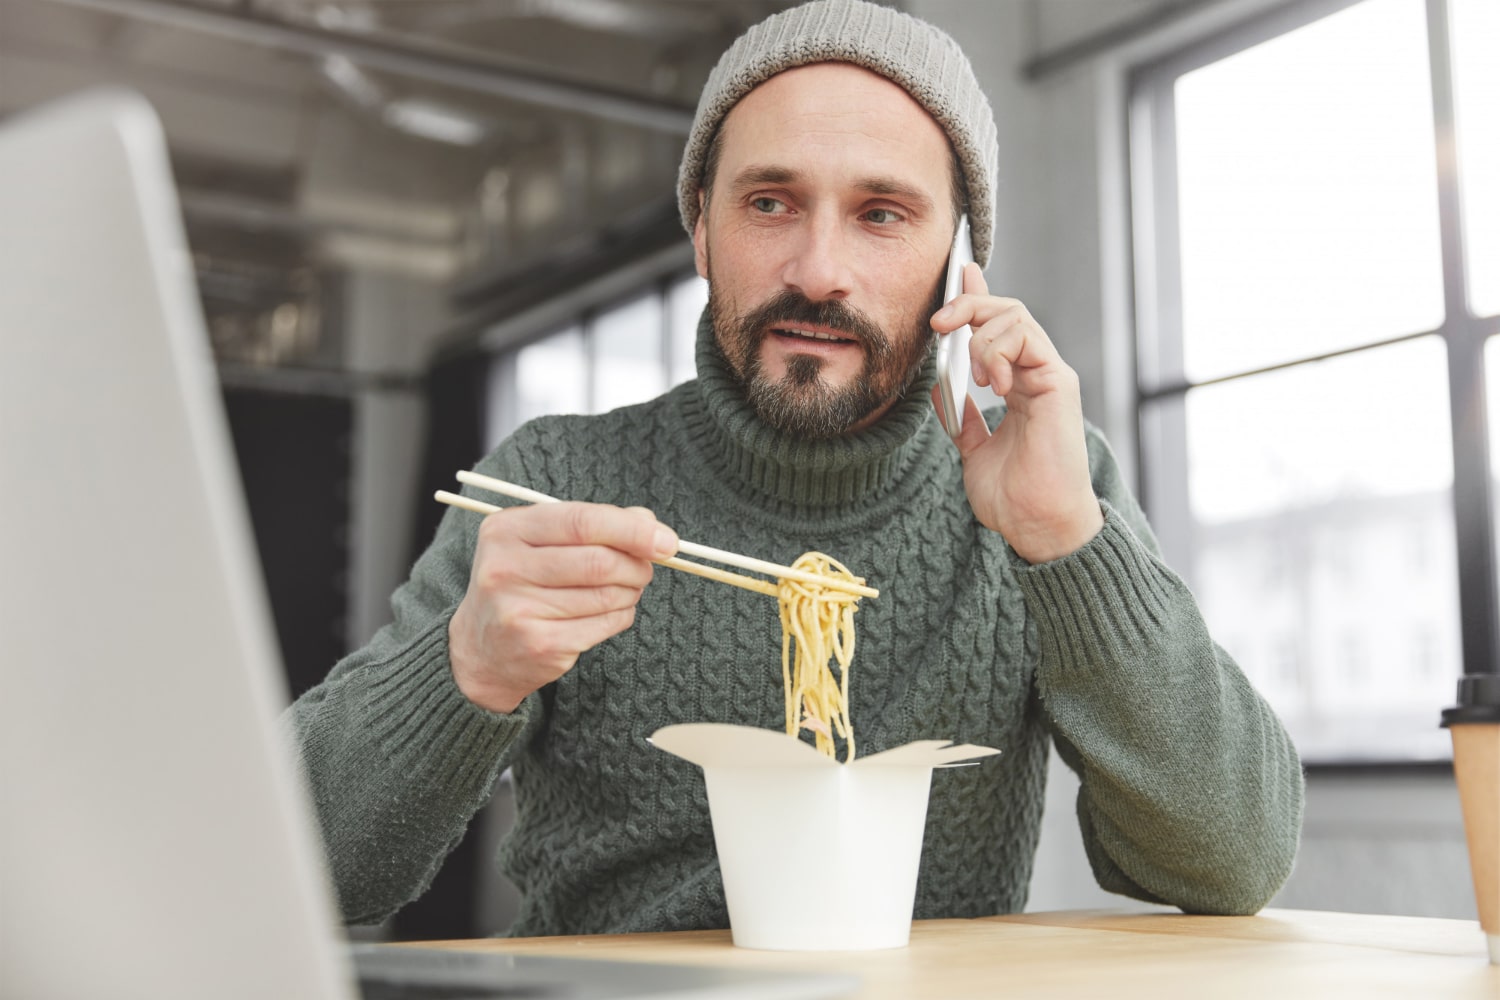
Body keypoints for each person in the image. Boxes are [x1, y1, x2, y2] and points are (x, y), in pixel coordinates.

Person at [287, 0, 1304, 937]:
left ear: (961, 262)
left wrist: (1067, 544)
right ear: (700, 229)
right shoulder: (557, 479)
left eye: (883, 214)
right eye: (770, 203)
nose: (820, 269)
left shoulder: (1047, 481)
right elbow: (300, 870)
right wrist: (466, 667)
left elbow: (1233, 862)